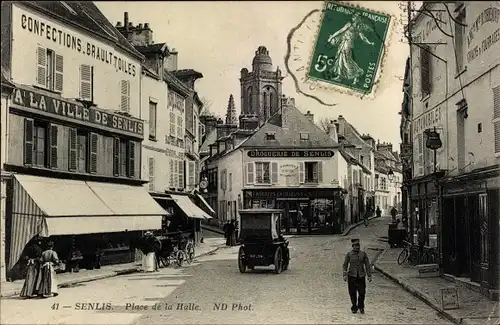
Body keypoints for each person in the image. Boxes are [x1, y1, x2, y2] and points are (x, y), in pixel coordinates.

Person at [343, 238, 372, 314]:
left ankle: (361, 306)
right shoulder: (349, 254)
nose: (357, 247)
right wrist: (344, 275)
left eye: (358, 245)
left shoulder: (363, 254)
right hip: (352, 276)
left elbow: (367, 265)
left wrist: (369, 275)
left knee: (362, 292)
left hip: (361, 276)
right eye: (355, 246)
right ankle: (354, 307)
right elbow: (345, 265)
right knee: (352, 293)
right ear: (352, 246)